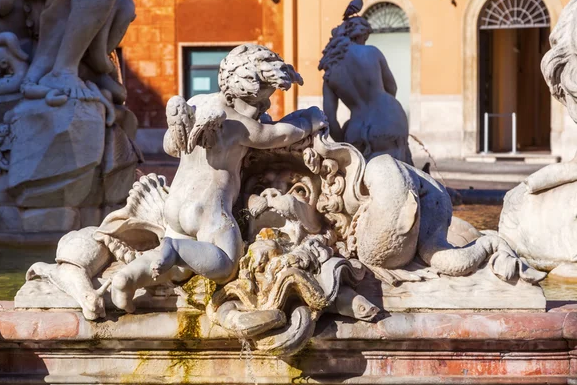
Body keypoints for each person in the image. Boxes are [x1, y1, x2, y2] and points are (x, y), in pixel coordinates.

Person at [110, 44, 327, 312]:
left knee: (180, 270)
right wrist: (310, 120)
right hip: (207, 210)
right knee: (224, 263)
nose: (267, 106)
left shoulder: (197, 102)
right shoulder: (241, 125)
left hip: (175, 204)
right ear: (250, 95)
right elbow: (280, 135)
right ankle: (175, 249)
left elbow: (171, 146)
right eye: (263, 101)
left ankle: (127, 278)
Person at [319, 16, 413, 165]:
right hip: (387, 118)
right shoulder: (372, 52)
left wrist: (344, 141)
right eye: (364, 38)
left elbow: (330, 119)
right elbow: (392, 87)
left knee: (361, 180)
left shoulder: (329, 73)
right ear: (358, 35)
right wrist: (383, 109)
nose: (364, 42)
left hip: (356, 128)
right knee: (400, 171)